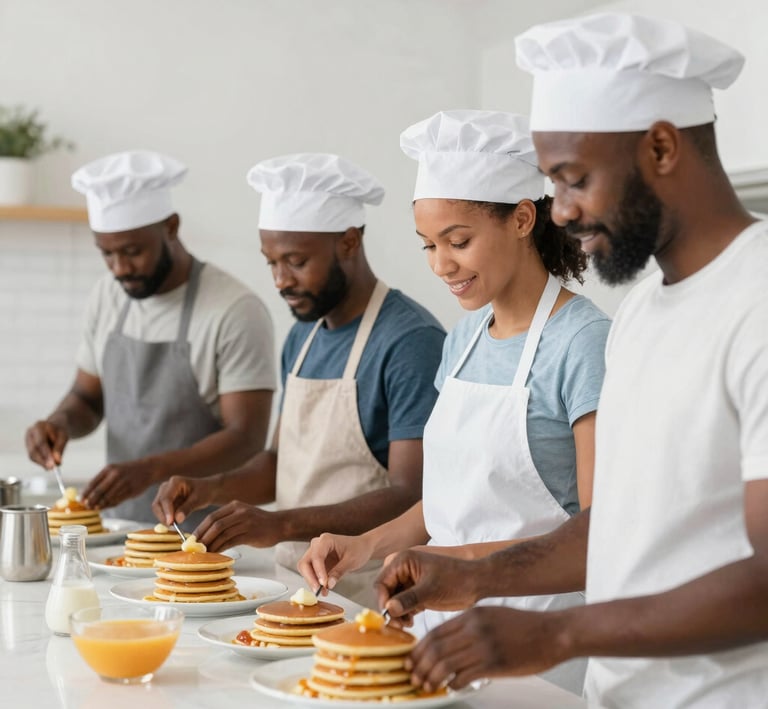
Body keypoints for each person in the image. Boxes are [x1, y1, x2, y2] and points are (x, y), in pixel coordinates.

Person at [373, 13, 768, 709]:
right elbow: (607, 524)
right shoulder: (644, 311)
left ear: (663, 147)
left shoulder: (756, 300)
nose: (558, 212)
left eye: (572, 179)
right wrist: (471, 576)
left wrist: (559, 633)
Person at [297, 112, 610, 692]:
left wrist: (462, 564)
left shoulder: (583, 344)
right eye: (429, 246)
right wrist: (365, 547)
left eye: (458, 242)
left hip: (537, 649)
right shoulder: (464, 339)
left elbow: (600, 535)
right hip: (436, 634)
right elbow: (447, 504)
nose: (441, 265)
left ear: (521, 218)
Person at [152, 153, 445, 604]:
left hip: (368, 594)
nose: (280, 280)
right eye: (271, 262)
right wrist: (210, 488)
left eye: (295, 261)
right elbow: (278, 462)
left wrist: (280, 524)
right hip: (293, 585)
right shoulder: (303, 335)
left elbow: (413, 495)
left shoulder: (410, 341)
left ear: (349, 242)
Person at [24, 150, 276, 528]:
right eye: (107, 254)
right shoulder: (106, 296)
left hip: (207, 539)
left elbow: (246, 437)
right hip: (119, 531)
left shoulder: (235, 310)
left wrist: (151, 469)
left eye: (132, 251)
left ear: (171, 227)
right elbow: (87, 399)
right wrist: (59, 423)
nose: (120, 269)